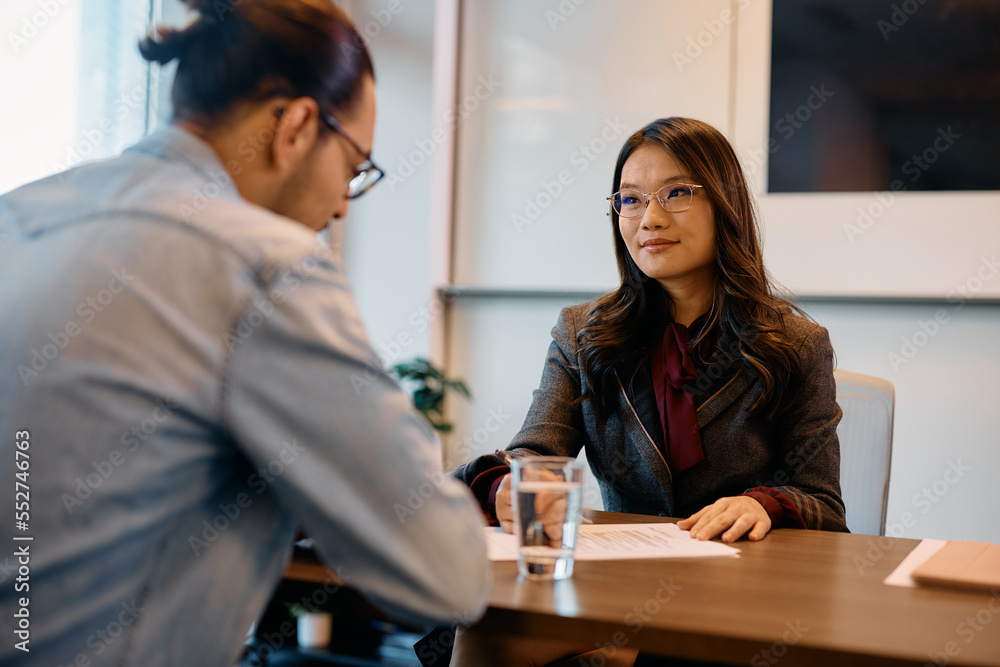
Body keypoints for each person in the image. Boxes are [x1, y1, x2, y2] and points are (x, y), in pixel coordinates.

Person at [0, 2, 489, 665]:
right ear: (295, 126)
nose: (345, 201)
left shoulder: (20, 213)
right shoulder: (262, 261)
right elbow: (446, 572)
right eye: (355, 165)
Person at [444, 117, 848, 667]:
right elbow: (536, 453)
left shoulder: (795, 343)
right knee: (485, 634)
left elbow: (822, 502)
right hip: (619, 589)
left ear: (724, 203)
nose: (649, 219)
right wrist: (505, 489)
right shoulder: (583, 333)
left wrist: (764, 504)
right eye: (630, 200)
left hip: (740, 596)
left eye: (676, 193)